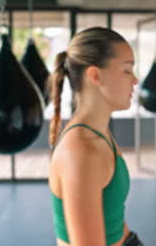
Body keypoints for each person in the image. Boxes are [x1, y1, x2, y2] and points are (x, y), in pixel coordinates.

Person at [48, 27, 144, 246]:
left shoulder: (99, 132)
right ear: (95, 75)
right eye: (127, 70)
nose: (135, 80)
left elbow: (111, 215)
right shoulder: (81, 151)